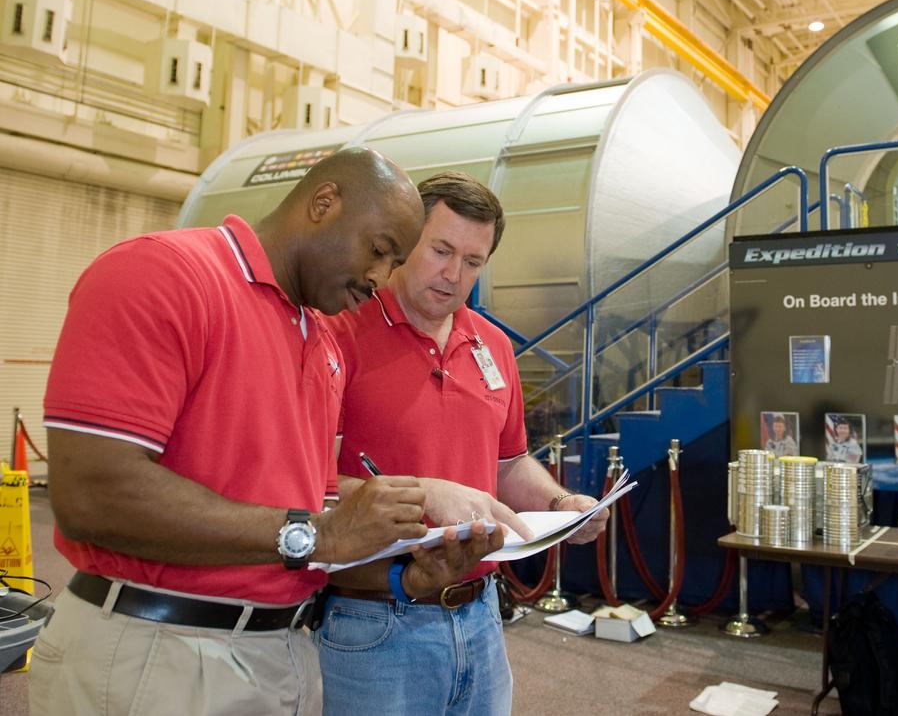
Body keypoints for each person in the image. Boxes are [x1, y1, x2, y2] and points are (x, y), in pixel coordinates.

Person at [30, 148, 503, 716]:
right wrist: (315, 536)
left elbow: (304, 500)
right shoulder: (166, 273)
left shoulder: (320, 339)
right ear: (323, 203)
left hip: (283, 651)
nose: (381, 279)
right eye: (378, 251)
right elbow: (93, 495)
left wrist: (403, 576)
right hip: (160, 650)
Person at [317, 171, 608, 716]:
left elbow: (509, 460)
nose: (454, 275)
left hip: (481, 619)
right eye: (441, 250)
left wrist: (559, 505)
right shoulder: (341, 331)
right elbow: (307, 478)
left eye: (473, 262)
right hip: (373, 618)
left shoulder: (492, 345)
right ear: (406, 242)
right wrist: (418, 494)